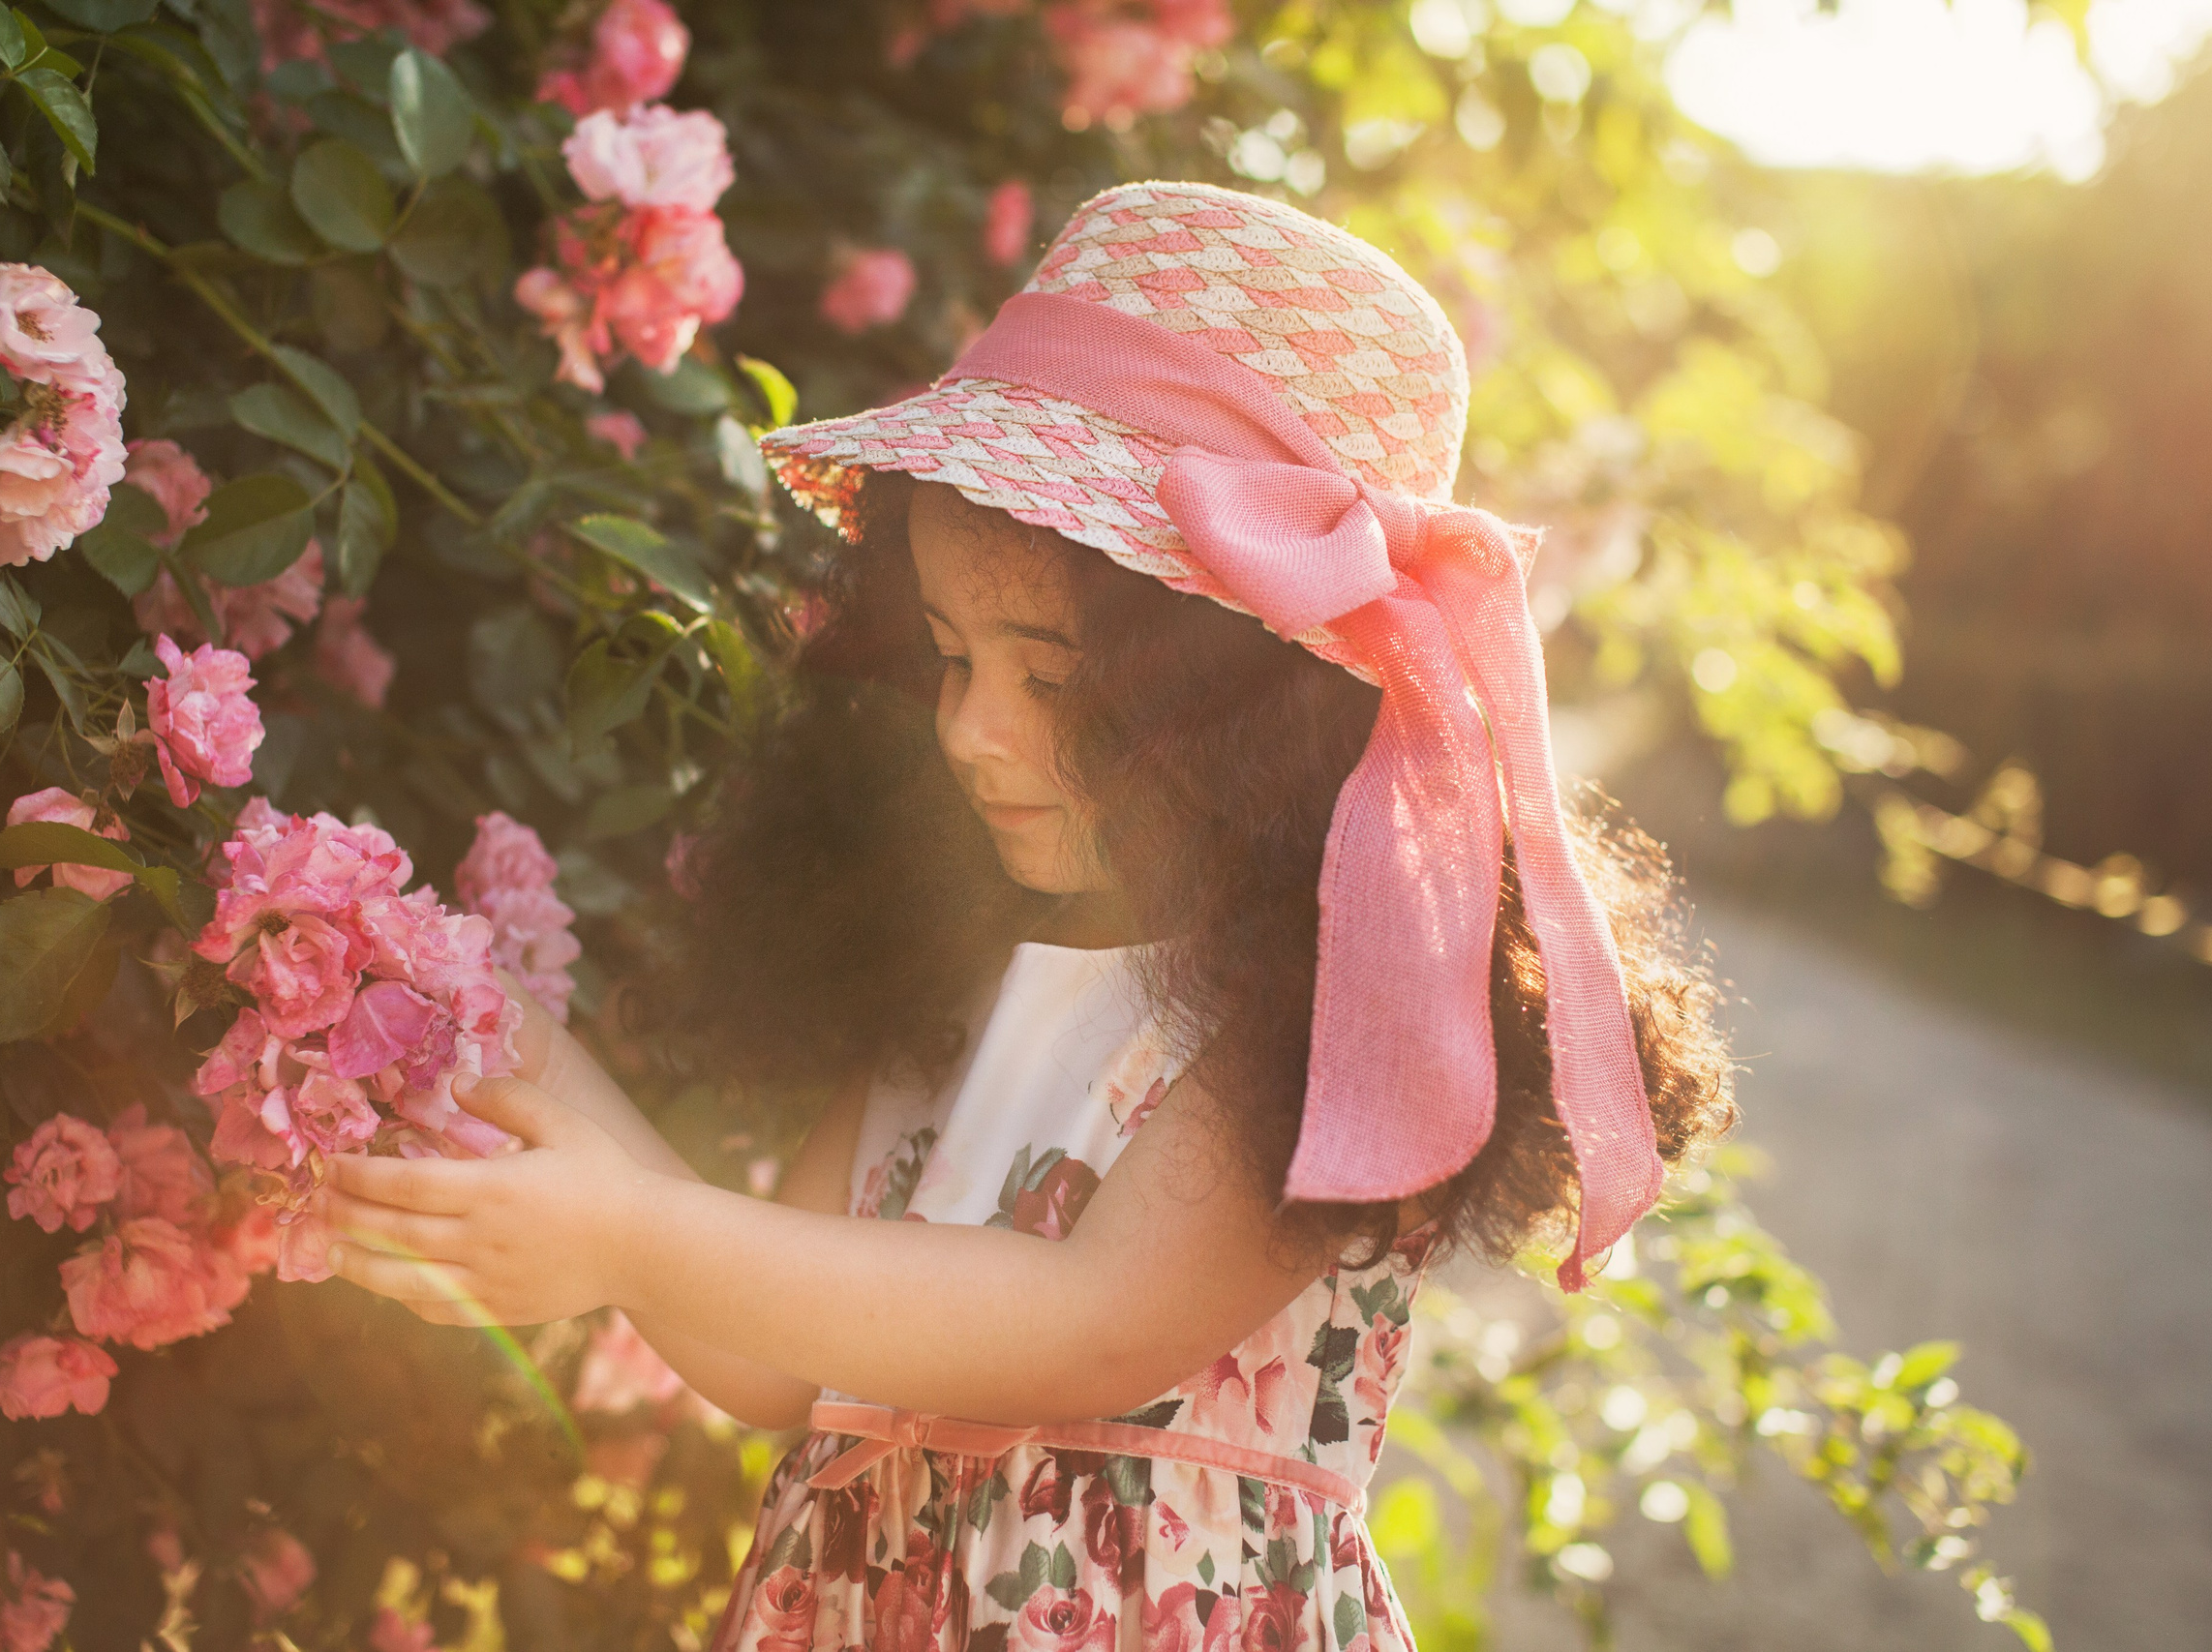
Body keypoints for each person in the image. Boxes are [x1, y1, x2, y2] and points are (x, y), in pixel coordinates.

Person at [323, 181, 1738, 1651]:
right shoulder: (957, 989)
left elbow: (1083, 1323)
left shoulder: (1319, 1025)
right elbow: (775, 1352)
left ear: (1248, 709)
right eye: (949, 657)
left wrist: (626, 1237)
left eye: (1051, 677)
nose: (970, 729)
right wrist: (520, 1058)